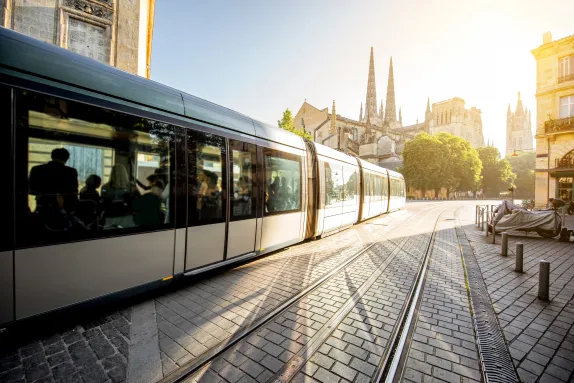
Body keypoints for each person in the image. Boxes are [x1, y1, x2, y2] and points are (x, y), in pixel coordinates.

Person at [29, 148, 78, 212]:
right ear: (66, 159)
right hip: (62, 208)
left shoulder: (36, 169)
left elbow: (31, 189)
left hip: (43, 207)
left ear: (52, 156)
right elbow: (74, 191)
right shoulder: (71, 172)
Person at [101, 164, 140, 228]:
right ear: (124, 173)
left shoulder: (105, 187)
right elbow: (139, 201)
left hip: (110, 217)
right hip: (127, 217)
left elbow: (103, 203)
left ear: (112, 173)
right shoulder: (131, 187)